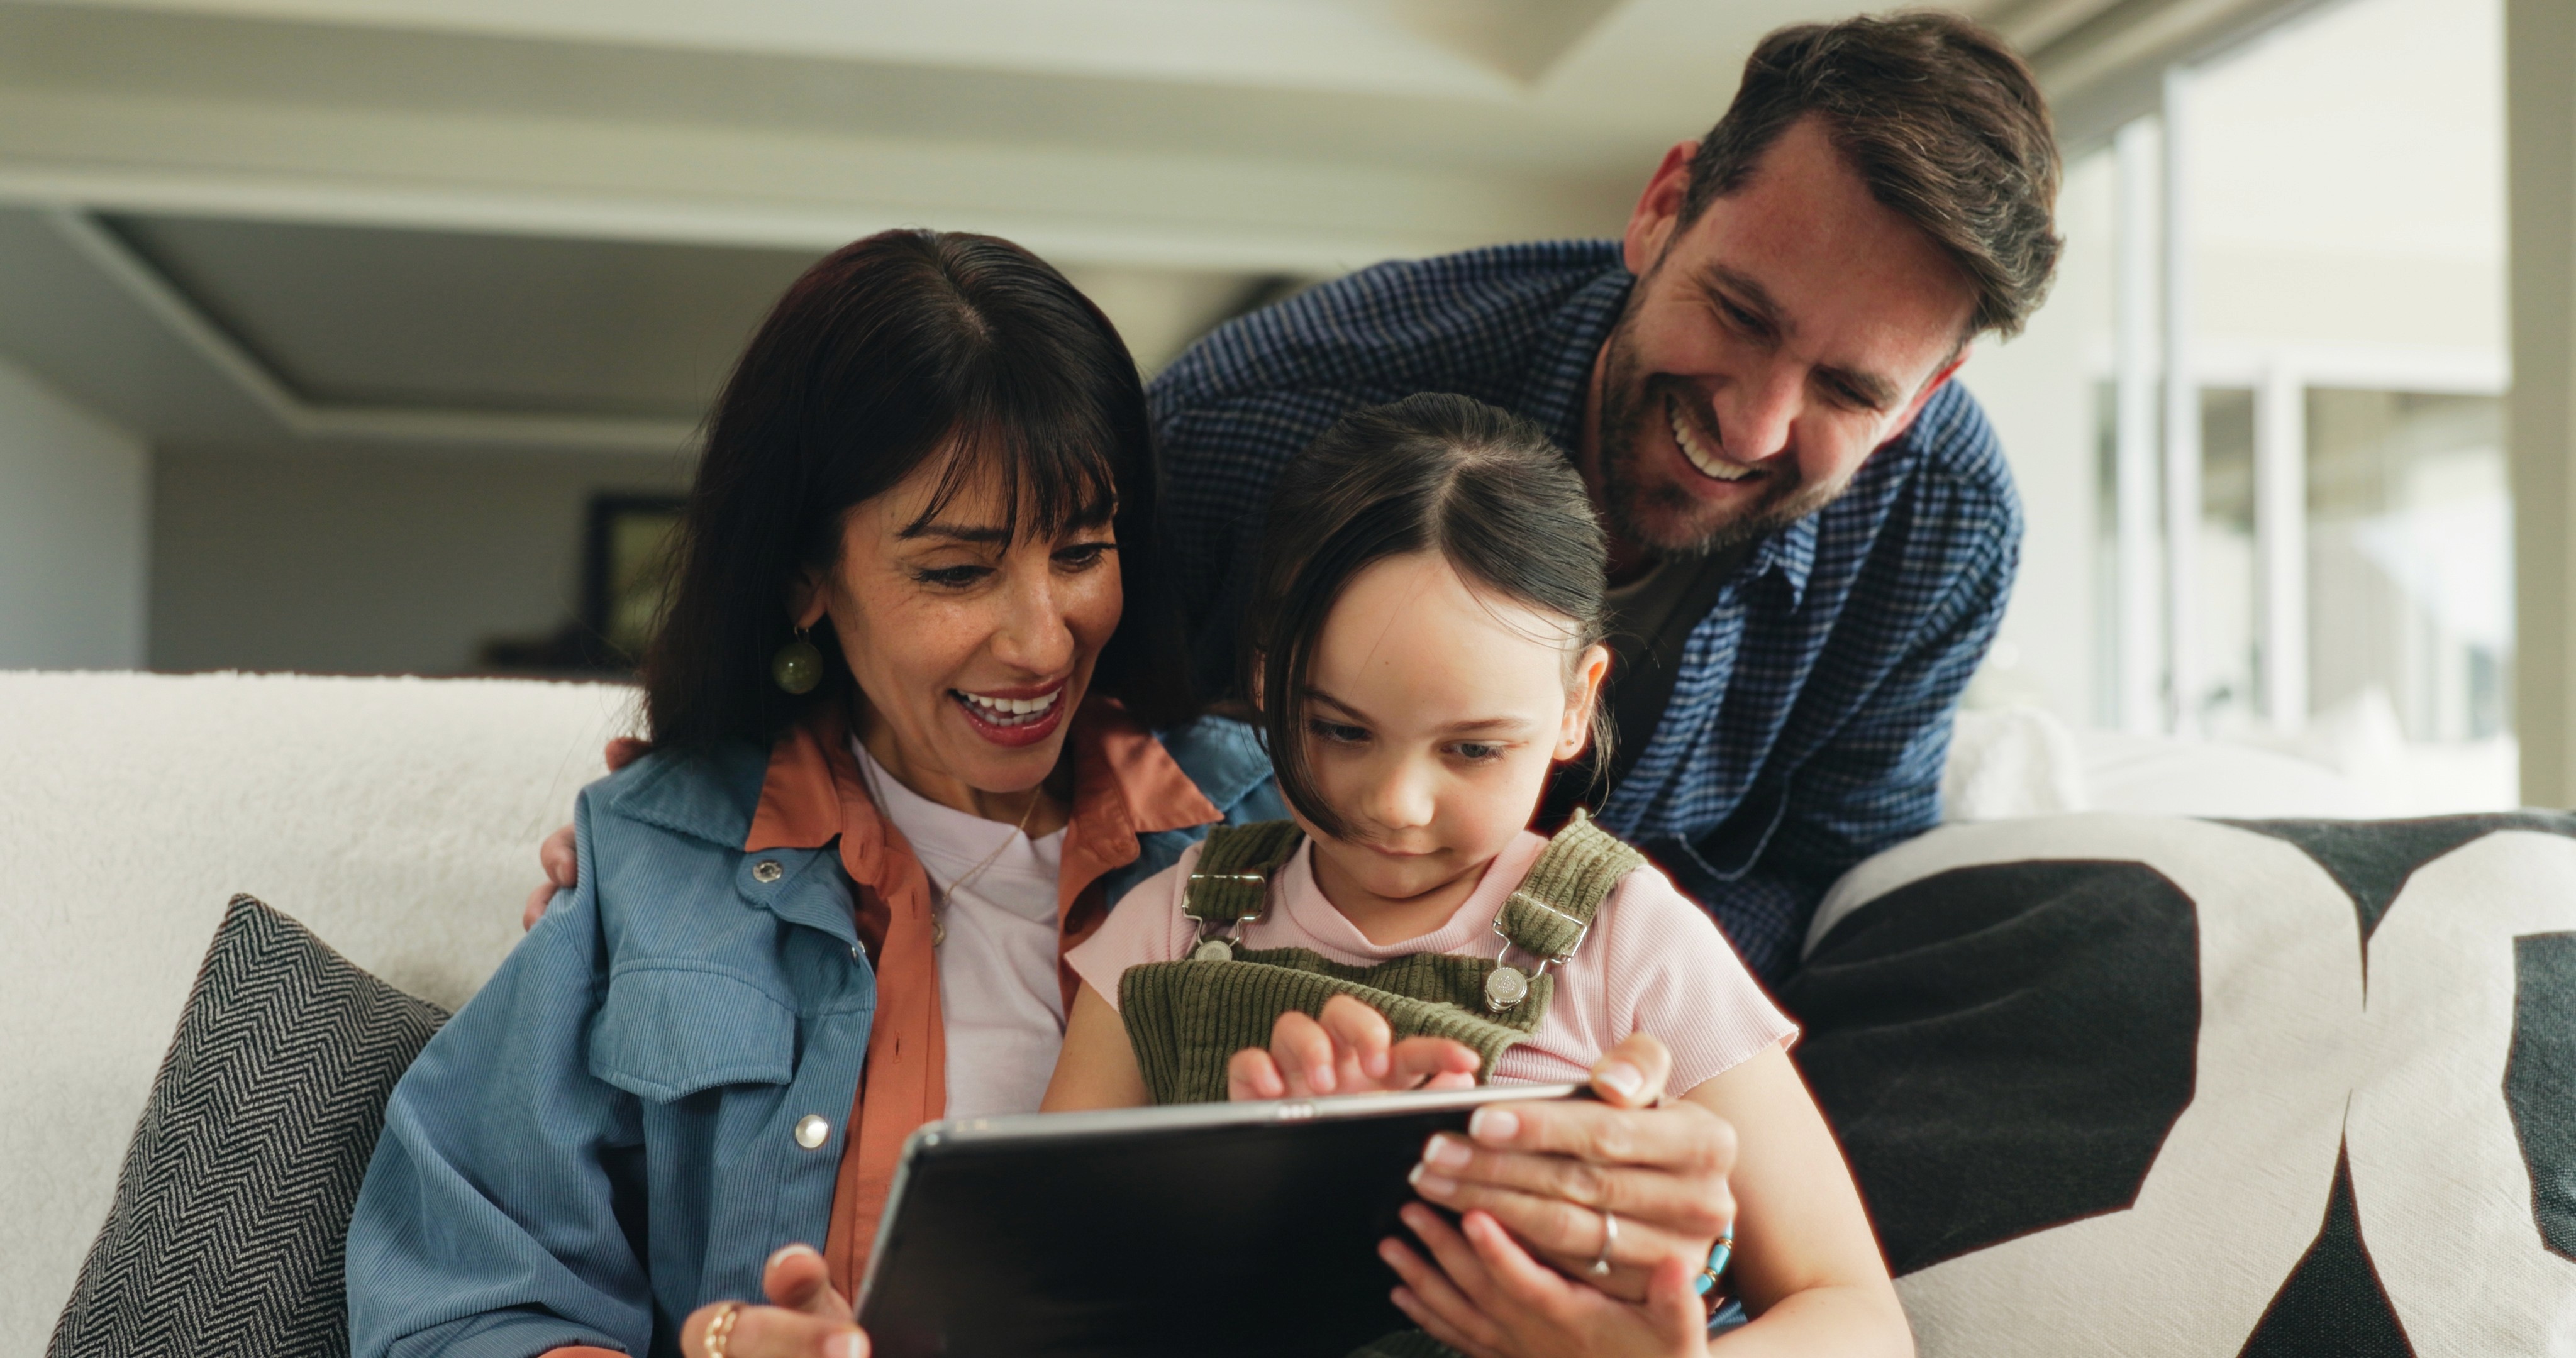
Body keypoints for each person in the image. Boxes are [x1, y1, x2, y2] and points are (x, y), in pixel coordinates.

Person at [361, 229, 1743, 1358]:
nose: (1038, 640)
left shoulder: (1283, 827)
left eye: (1080, 552)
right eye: (956, 571)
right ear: (804, 576)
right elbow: (455, 1301)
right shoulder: (651, 857)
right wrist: (718, 1348)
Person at [1151, 12, 2058, 979]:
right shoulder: (1246, 419)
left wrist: (1636, 1041)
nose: (1752, 429)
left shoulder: (1944, 525)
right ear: (1662, 207)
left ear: (1921, 396)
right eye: (1741, 314)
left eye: (1846, 390)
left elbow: (1824, 870)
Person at [1044, 394, 1909, 1358]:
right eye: (1339, 729)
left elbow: (1858, 1320)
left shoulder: (1629, 942)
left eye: (1473, 750)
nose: (1398, 804)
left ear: (1577, 707)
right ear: (1263, 675)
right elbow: (1046, 1282)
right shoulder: (1166, 927)